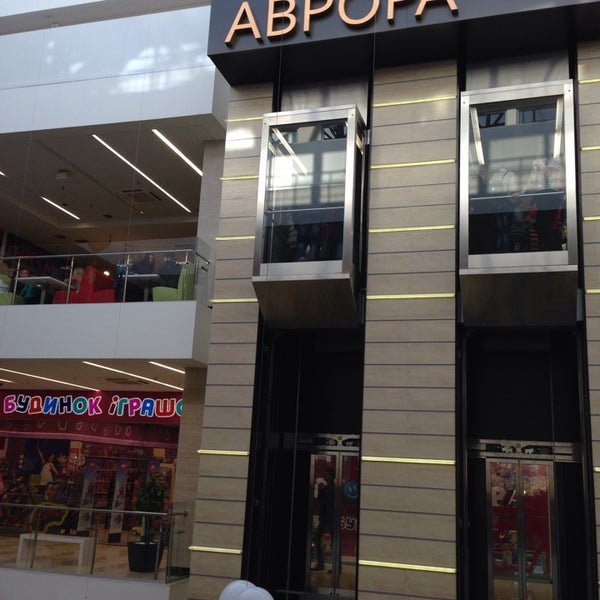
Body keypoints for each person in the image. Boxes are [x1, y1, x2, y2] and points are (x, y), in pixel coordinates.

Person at [312, 468, 336, 571]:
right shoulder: (331, 488)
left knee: (319, 538)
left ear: (330, 476)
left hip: (327, 519)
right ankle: (336, 566)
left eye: (326, 474)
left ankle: (322, 564)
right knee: (333, 541)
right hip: (329, 519)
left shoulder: (330, 488)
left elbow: (326, 504)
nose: (324, 476)